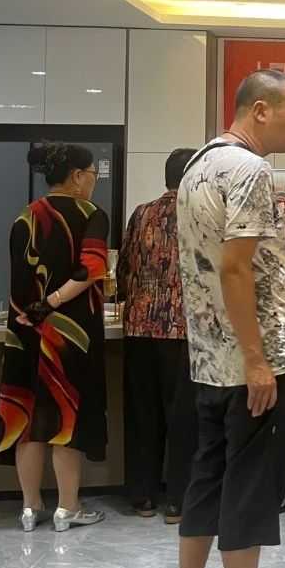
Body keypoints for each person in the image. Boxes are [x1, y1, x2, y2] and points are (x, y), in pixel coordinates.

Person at [168, 69, 285, 568]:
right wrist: (258, 361)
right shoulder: (252, 170)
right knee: (251, 486)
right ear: (260, 109)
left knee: (206, 479)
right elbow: (234, 269)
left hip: (209, 358)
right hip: (258, 359)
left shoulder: (197, 165)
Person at [0, 141, 109, 533]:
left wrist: (35, 310)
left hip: (24, 330)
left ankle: (30, 508)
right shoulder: (92, 215)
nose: (93, 181)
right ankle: (68, 507)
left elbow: (18, 280)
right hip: (71, 333)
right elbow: (91, 268)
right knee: (66, 414)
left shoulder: (24, 217)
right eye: (92, 174)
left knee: (29, 412)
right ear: (77, 177)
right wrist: (52, 303)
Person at [118, 147, 199, 524]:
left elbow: (123, 269)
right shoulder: (202, 214)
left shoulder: (141, 213)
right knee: (185, 417)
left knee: (142, 413)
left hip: (139, 328)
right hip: (186, 330)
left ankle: (143, 497)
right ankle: (179, 502)